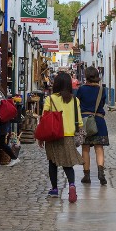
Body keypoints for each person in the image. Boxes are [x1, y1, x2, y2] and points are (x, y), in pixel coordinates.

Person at [38, 72, 84, 201]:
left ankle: (54, 189)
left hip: (53, 136)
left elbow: (44, 119)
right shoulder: (75, 100)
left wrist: (40, 137)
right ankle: (72, 185)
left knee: (52, 163)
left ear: (56, 84)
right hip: (68, 136)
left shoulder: (50, 99)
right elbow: (79, 121)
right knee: (68, 164)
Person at [77, 66, 109, 185]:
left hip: (85, 121)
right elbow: (102, 103)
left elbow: (77, 102)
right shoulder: (102, 90)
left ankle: (87, 175)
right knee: (99, 148)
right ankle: (101, 173)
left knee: (85, 148)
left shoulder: (81, 89)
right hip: (99, 121)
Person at [0, 78, 21, 166]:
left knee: (2, 143)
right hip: (5, 119)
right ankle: (10, 158)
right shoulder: (1, 91)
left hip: (2, 120)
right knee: (1, 141)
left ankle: (14, 157)